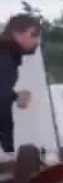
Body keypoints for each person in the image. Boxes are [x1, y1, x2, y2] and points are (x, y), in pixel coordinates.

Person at [0, 14, 41, 154]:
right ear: (17, 33)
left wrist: (15, 96)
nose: (37, 40)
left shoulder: (6, 55)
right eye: (34, 34)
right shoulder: (5, 56)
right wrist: (7, 149)